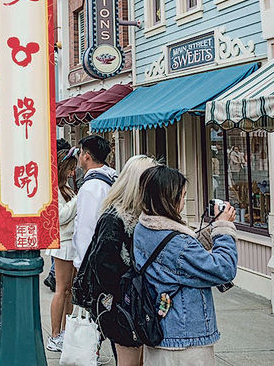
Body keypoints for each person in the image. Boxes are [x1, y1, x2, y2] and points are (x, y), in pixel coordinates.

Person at [133, 165, 237, 365]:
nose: (182, 202)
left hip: (160, 330)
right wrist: (224, 228)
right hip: (184, 337)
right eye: (182, 196)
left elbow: (181, 260)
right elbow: (224, 269)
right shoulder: (177, 243)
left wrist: (209, 231)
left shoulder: (144, 226)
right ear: (168, 199)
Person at [72, 155, 158, 365]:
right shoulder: (114, 218)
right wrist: (122, 298)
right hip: (124, 306)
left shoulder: (144, 216)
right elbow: (104, 266)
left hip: (139, 304)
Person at [45, 143, 80, 353]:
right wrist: (79, 200)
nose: (73, 172)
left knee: (69, 291)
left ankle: (65, 331)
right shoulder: (56, 189)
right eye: (70, 167)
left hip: (70, 242)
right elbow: (60, 217)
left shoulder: (65, 187)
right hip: (63, 243)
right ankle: (55, 334)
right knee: (61, 290)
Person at [72, 135, 118, 271]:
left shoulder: (90, 187)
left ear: (87, 156)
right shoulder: (113, 176)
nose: (79, 157)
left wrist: (81, 265)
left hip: (95, 260)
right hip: (110, 254)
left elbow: (86, 229)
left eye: (80, 153)